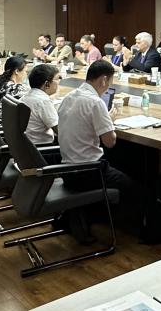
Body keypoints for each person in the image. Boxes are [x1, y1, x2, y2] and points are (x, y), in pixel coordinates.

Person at [56, 59, 135, 241]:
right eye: (109, 84)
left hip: (66, 168)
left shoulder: (70, 96)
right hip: (88, 172)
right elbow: (110, 142)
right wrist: (108, 123)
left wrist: (104, 121)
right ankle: (113, 225)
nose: (107, 89)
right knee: (133, 186)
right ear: (104, 80)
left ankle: (80, 216)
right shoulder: (95, 102)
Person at [22, 64, 59, 145]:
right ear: (47, 84)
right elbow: (59, 131)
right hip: (42, 148)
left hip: (26, 145)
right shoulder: (43, 101)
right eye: (57, 79)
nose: (59, 82)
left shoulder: (26, 96)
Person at [0, 56, 29, 120]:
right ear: (16, 71)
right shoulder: (17, 88)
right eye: (26, 71)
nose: (26, 74)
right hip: (4, 124)